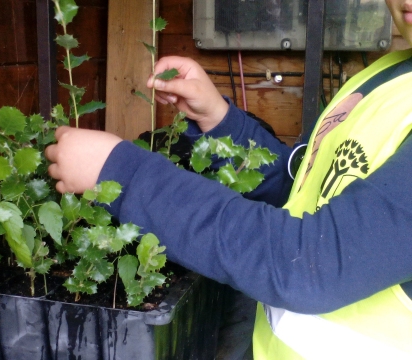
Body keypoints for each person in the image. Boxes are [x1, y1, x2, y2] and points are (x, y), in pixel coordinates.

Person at [45, 0, 412, 358]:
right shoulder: (387, 75)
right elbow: (304, 187)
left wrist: (122, 173)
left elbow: (309, 262)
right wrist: (222, 123)